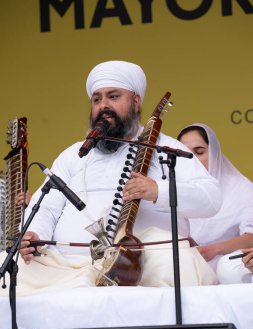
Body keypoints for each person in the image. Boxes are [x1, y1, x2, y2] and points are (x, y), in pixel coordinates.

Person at [2, 61, 222, 292]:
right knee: (7, 268)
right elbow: (45, 208)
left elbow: (212, 198)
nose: (103, 106)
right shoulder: (73, 155)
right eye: (97, 99)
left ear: (136, 102)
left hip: (142, 262)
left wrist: (158, 191)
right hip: (66, 265)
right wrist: (35, 234)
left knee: (177, 264)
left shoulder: (166, 149)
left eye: (113, 97)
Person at [177, 123, 253, 281]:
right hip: (186, 264)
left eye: (199, 152)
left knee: (228, 268)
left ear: (215, 153)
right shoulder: (172, 189)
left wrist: (214, 249)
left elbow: (251, 237)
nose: (193, 160)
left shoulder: (241, 187)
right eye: (185, 154)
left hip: (224, 262)